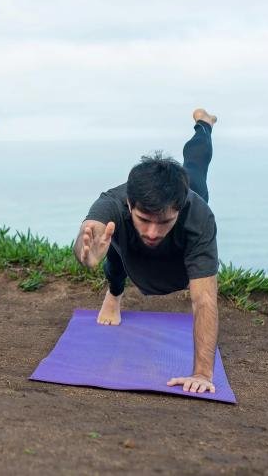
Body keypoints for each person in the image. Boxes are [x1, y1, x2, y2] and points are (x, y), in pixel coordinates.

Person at [73, 108, 219, 394]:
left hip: (178, 263)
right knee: (113, 243)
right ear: (129, 203)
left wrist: (202, 374)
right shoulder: (113, 202)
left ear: (179, 209)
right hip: (125, 249)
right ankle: (114, 294)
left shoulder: (198, 216)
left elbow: (204, 300)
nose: (153, 232)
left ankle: (204, 125)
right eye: (144, 220)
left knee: (196, 165)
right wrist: (84, 255)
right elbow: (87, 234)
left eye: (164, 222)